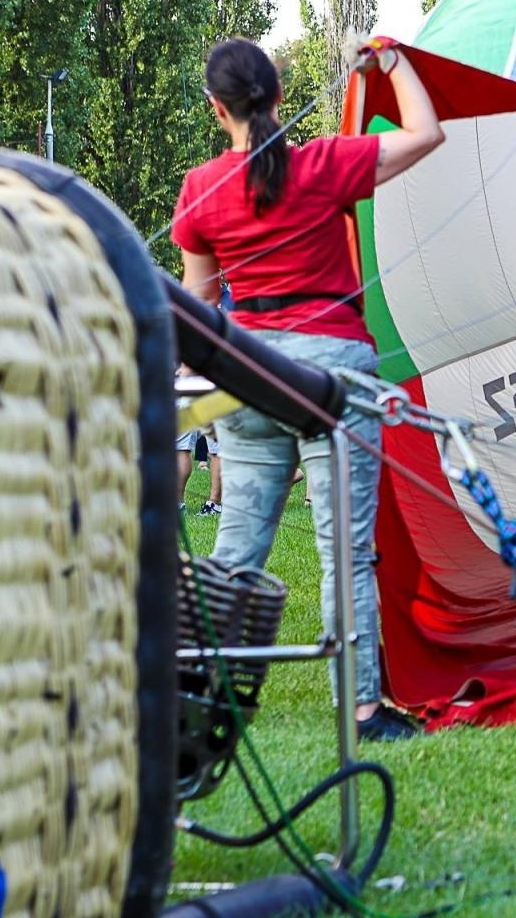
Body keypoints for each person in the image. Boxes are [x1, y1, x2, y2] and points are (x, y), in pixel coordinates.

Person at [171, 36, 444, 741]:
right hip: (332, 374)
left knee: (237, 545)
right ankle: (362, 711)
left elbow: (200, 308)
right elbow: (426, 134)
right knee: (345, 551)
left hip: (248, 375)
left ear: (217, 108)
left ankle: (202, 697)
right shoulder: (323, 162)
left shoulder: (200, 188)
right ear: (280, 96)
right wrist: (393, 63)